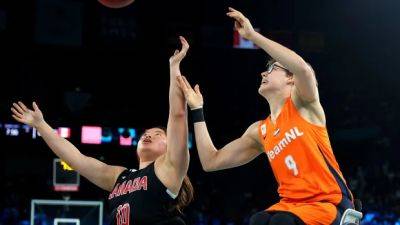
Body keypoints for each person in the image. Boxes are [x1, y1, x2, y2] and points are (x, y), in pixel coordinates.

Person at [176, 8, 354, 225]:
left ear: (291, 79)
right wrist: (197, 110)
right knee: (258, 220)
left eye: (272, 69)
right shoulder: (259, 131)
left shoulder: (305, 105)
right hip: (291, 205)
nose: (263, 73)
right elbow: (210, 161)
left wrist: (252, 36)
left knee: (281, 222)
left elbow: (303, 70)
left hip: (328, 203)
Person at [11, 36, 193, 225]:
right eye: (146, 133)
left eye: (157, 134)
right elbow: (76, 159)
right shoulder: (120, 176)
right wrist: (41, 125)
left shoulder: (171, 168)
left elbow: (178, 114)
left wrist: (174, 68)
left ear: (170, 145)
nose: (148, 135)